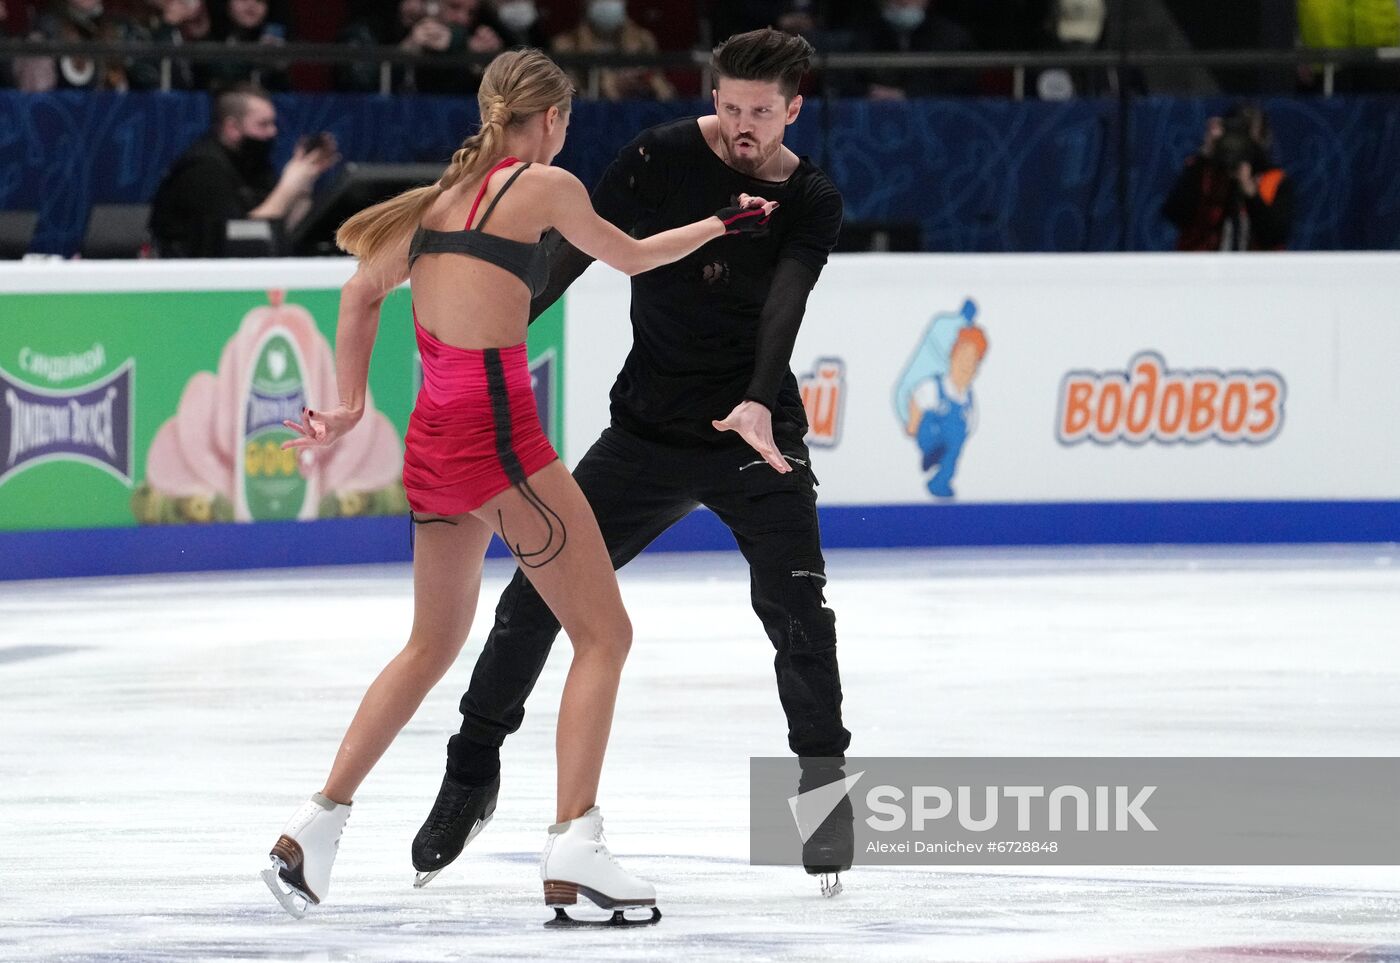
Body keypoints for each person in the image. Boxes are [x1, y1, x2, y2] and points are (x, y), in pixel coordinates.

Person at [259, 48, 776, 925]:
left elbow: (356, 297)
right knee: (603, 632)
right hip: (501, 446)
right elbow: (637, 257)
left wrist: (349, 405)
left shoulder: (430, 205)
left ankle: (316, 825)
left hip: (433, 445)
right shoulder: (543, 186)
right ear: (552, 120)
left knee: (431, 644)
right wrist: (724, 224)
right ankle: (577, 843)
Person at [412, 28, 855, 898]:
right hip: (646, 432)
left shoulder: (811, 195)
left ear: (793, 109)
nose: (740, 125)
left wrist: (761, 400)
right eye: (728, 106)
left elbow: (786, 306)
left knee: (798, 608)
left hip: (754, 434)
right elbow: (562, 262)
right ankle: (470, 774)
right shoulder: (654, 158)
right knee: (533, 596)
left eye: (760, 113)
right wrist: (476, 337)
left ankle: (824, 790)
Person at [148, 84, 339, 257]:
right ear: (232, 127)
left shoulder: (253, 161)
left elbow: (283, 228)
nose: (272, 132)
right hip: (191, 279)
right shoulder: (202, 168)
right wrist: (287, 188)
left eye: (273, 124)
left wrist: (304, 183)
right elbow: (244, 239)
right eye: (263, 124)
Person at [1162, 103, 1294, 252]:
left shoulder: (1274, 180)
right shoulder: (1202, 171)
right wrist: (1205, 153)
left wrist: (1250, 191)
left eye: (1247, 134)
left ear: (1262, 138)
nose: (1241, 143)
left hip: (1258, 270)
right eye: (1236, 133)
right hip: (1202, 266)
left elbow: (1275, 236)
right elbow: (1176, 215)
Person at [552, 0, 675, 101]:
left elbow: (660, 83)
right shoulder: (566, 45)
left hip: (638, 109)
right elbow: (569, 93)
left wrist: (652, 83)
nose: (609, 3)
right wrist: (605, 86)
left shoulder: (644, 40)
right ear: (586, 4)